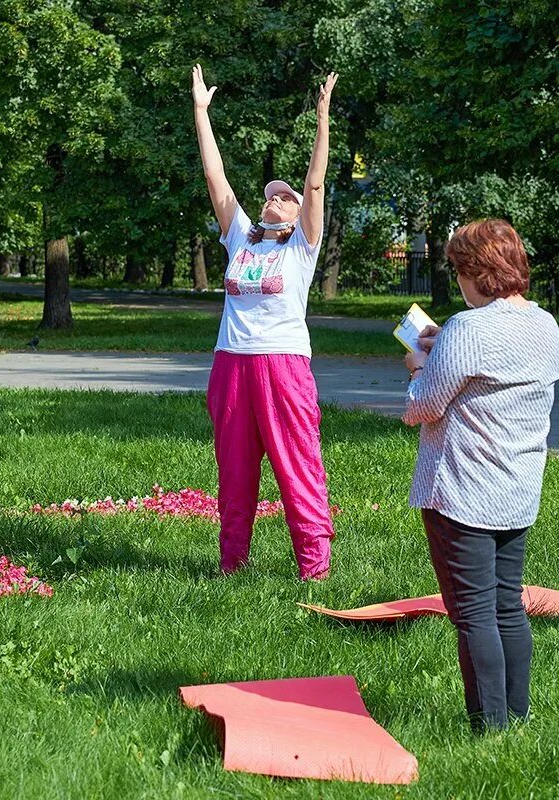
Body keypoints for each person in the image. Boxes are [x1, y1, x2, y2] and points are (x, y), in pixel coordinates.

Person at [402, 219, 559, 732]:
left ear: (476, 271)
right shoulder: (545, 324)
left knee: (472, 614)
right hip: (517, 489)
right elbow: (492, 355)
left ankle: (488, 727)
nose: (457, 280)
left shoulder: (470, 330)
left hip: (463, 491)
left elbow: (425, 407)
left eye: (458, 269)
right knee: (507, 606)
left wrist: (418, 369)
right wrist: (445, 337)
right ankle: (517, 716)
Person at [191, 64, 339, 581]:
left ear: (300, 214)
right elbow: (216, 177)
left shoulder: (302, 246)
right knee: (233, 471)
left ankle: (314, 569)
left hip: (283, 367)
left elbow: (315, 183)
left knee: (297, 466)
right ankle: (232, 565)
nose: (274, 199)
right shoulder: (241, 237)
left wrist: (322, 121)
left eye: (285, 197)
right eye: (271, 194)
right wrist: (201, 114)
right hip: (231, 365)